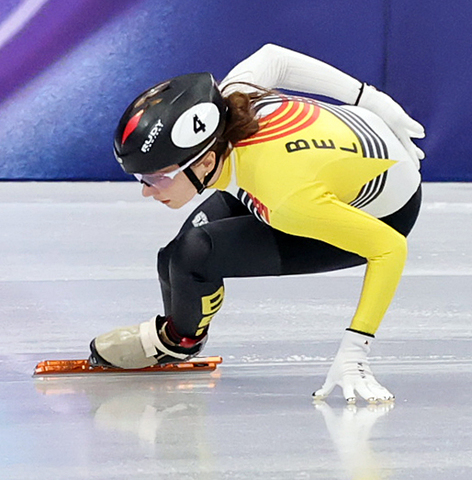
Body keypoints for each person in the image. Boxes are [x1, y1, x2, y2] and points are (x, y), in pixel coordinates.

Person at [90, 44, 426, 403]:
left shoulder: (286, 200)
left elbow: (390, 248)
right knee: (170, 258)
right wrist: (368, 98)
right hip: (320, 164)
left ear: (205, 162)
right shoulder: (232, 98)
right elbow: (273, 58)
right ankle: (181, 329)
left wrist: (355, 351)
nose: (145, 191)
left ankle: (179, 341)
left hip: (381, 213)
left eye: (156, 177)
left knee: (192, 256)